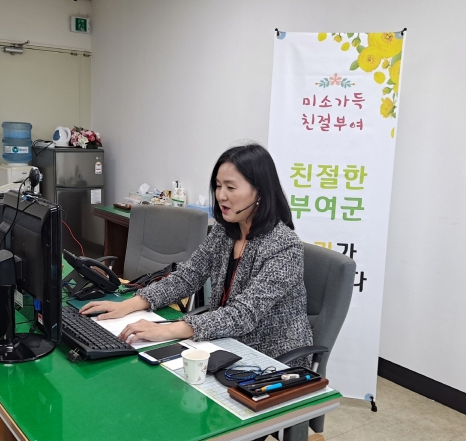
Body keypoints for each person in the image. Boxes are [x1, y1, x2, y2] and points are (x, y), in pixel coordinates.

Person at [81, 143, 313, 363]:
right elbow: (188, 276)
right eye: (218, 186)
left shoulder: (284, 246)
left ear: (260, 192)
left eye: (231, 187)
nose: (221, 195)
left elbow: (244, 314)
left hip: (271, 360)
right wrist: (129, 305)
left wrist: (167, 330)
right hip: (224, 342)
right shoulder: (224, 231)